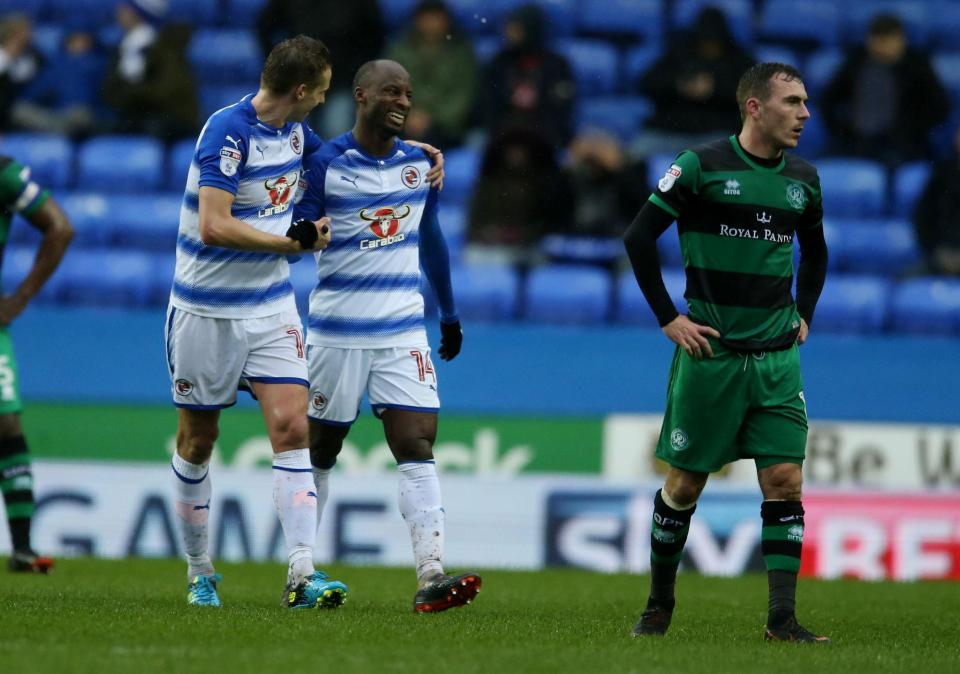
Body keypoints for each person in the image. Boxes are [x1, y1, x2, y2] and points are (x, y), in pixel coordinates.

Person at [622, 62, 829, 642]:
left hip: (776, 358)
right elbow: (638, 238)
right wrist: (670, 318)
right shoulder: (699, 167)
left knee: (785, 480)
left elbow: (815, 252)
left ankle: (782, 620)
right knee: (685, 485)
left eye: (806, 102)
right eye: (792, 101)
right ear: (754, 107)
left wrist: (805, 313)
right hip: (712, 356)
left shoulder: (804, 179)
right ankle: (659, 605)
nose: (804, 113)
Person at [293, 59, 481, 613]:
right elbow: (298, 230)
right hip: (336, 332)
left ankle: (431, 574)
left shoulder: (419, 165)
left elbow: (432, 238)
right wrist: (303, 233)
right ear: (361, 95)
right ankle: (300, 569)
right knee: (321, 449)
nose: (402, 100)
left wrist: (448, 313)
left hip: (403, 329)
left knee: (417, 444)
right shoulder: (326, 163)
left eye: (408, 92)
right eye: (391, 91)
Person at [165, 34, 340, 609]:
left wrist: (406, 151)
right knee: (199, 439)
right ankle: (199, 571)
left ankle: (302, 574)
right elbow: (214, 226)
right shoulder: (227, 131)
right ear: (299, 89)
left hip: (269, 307)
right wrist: (288, 245)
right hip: (205, 310)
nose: (323, 99)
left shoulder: (294, 131)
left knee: (293, 428)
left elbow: (331, 157)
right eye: (321, 90)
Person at [0, 154, 74, 572]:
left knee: (6, 424)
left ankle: (23, 549)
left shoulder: (5, 175)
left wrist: (20, 297)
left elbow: (60, 228)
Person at [820, 13, 949, 165]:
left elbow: (941, 107)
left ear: (901, 40)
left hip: (902, 146)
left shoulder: (918, 66)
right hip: (856, 142)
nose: (882, 47)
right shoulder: (856, 62)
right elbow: (827, 101)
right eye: (878, 40)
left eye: (888, 40)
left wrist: (911, 134)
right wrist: (843, 132)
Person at [632, 6, 754, 159]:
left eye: (713, 42)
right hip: (670, 132)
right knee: (635, 155)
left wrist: (713, 89)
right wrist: (679, 85)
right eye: (704, 41)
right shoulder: (680, 53)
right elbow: (647, 82)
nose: (708, 47)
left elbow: (753, 95)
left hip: (716, 134)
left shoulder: (738, 59)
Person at [256, 0, 385, 140]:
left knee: (335, 132)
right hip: (299, 81)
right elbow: (265, 26)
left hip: (343, 82)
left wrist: (355, 68)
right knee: (292, 139)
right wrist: (280, 63)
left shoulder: (360, 4)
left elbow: (375, 35)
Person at [480, 3, 576, 147]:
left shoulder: (557, 65)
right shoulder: (499, 62)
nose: (509, 33)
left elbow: (560, 112)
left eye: (516, 29)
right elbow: (488, 106)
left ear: (531, 29)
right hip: (502, 136)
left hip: (545, 137)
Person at [386, 0, 477, 148]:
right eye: (427, 18)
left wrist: (432, 118)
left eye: (436, 18)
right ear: (417, 20)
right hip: (403, 123)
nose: (432, 24)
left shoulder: (462, 53)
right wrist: (408, 116)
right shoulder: (400, 50)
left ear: (447, 21)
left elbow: (463, 95)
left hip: (445, 127)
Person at [102, 0, 199, 140]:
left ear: (139, 14)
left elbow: (165, 93)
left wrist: (130, 93)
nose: (119, 12)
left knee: (148, 129)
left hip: (174, 118)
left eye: (126, 9)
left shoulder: (168, 46)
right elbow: (110, 91)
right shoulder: (126, 46)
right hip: (141, 116)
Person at [912, 126, 960, 276]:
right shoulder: (942, 173)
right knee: (906, 283)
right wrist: (938, 253)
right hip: (942, 256)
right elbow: (923, 217)